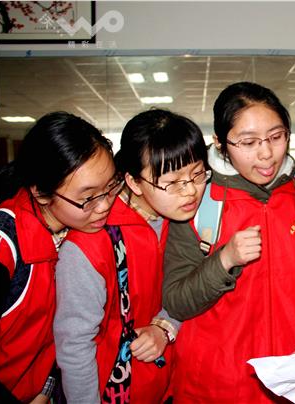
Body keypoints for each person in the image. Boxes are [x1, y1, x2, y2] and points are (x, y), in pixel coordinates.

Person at [162, 82, 295, 403]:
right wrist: (224, 260)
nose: (266, 154)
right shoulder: (198, 202)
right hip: (217, 388)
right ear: (220, 143)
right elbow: (177, 302)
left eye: (276, 137)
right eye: (248, 142)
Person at [53, 109, 209, 403]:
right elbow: (75, 346)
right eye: (172, 182)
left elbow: (189, 288)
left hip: (171, 385)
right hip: (113, 391)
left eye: (197, 174)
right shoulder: (91, 242)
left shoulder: (185, 221)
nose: (190, 192)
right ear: (134, 182)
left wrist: (166, 326)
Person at [0, 112, 117, 403]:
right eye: (88, 197)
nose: (104, 206)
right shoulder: (4, 243)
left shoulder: (69, 231)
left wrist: (46, 389)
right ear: (41, 193)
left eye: (110, 187)